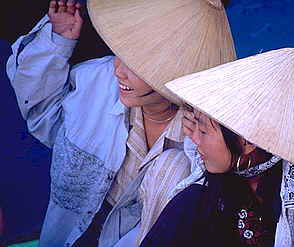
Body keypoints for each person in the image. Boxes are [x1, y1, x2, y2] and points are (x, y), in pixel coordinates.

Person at [6, 0, 236, 246]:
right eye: (120, 53)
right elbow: (44, 117)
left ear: (176, 73)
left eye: (136, 65)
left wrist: (221, 167)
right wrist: (58, 43)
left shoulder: (203, 138)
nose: (118, 70)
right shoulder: (98, 80)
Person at [139, 48, 294, 246]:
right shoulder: (238, 172)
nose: (194, 139)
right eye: (193, 125)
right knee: (191, 200)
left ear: (247, 142)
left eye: (203, 131)